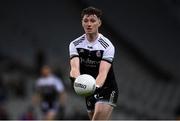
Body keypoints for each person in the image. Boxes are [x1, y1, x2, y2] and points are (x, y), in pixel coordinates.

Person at [69, 6, 119, 120]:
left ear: (99, 23)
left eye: (92, 20)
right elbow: (75, 68)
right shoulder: (75, 44)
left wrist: (93, 87)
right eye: (85, 20)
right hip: (88, 89)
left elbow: (103, 73)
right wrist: (78, 82)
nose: (89, 24)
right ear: (82, 23)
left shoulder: (107, 46)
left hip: (107, 88)